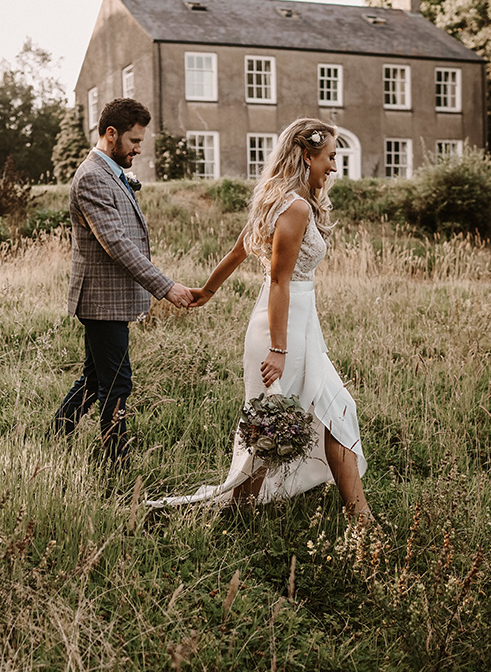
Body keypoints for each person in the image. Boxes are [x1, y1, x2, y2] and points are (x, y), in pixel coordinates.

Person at [148, 118, 370, 519]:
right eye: (331, 157)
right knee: (277, 427)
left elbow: (237, 252)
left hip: (299, 324)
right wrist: (279, 349)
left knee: (313, 417)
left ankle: (358, 519)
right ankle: (233, 512)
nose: (334, 166)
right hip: (281, 328)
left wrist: (208, 290)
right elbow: (278, 279)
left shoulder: (281, 198)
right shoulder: (295, 206)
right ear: (307, 155)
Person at [50, 98, 193, 470]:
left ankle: (56, 435)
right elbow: (117, 245)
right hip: (101, 299)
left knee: (96, 376)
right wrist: (166, 287)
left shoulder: (111, 170)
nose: (138, 148)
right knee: (117, 381)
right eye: (133, 140)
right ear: (110, 134)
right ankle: (116, 461)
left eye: (141, 141)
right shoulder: (92, 177)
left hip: (110, 298)